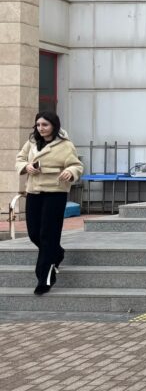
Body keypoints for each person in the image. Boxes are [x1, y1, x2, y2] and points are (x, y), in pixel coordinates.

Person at [15, 112, 83, 295]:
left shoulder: (65, 145)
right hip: (33, 191)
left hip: (55, 192)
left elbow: (77, 165)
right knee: (34, 234)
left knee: (48, 235)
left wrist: (70, 171)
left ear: (54, 125)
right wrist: (26, 167)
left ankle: (44, 278)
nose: (41, 128)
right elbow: (20, 159)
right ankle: (57, 253)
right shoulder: (31, 142)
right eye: (38, 125)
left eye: (45, 125)